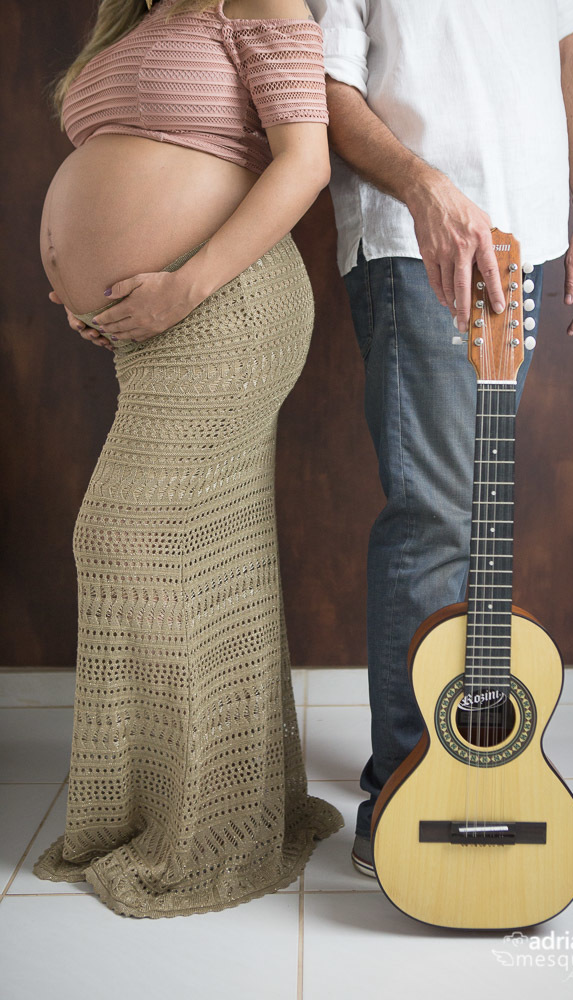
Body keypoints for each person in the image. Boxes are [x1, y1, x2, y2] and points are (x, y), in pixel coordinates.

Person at [33, 0, 343, 918]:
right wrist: (83, 286)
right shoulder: (129, 18)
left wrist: (181, 284)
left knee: (125, 540)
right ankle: (213, 803)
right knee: (212, 561)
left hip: (226, 305)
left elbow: (306, 161)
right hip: (151, 327)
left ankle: (201, 822)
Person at [309, 0, 573, 876]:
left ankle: (448, 763)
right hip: (419, 240)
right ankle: (405, 789)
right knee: (440, 517)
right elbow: (330, 89)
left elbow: (569, 42)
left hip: (522, 242)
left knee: (467, 519)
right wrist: (425, 188)